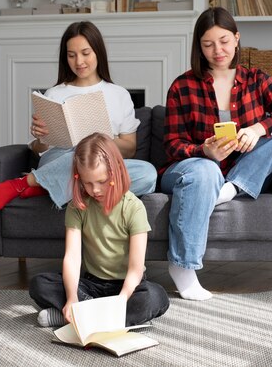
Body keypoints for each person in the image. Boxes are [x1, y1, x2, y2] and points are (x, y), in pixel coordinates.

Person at [160, 7, 272, 301]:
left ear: (237, 39)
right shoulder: (182, 85)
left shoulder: (256, 79)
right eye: (208, 44)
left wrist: (258, 129)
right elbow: (172, 145)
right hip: (195, 170)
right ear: (198, 47)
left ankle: (231, 188)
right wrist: (203, 150)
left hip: (245, 170)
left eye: (224, 41)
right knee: (205, 171)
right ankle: (183, 268)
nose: (218, 50)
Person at [0, 21, 157, 212]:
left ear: (98, 52)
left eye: (85, 53)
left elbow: (129, 150)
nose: (79, 62)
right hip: (62, 158)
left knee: (147, 174)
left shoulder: (119, 94)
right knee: (77, 155)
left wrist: (101, 143)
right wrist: (41, 138)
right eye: (71, 55)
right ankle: (39, 183)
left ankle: (41, 185)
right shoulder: (54, 94)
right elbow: (40, 149)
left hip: (104, 165)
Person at [28, 132, 170, 327]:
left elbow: (136, 269)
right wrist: (71, 298)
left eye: (101, 182)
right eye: (87, 183)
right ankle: (102, 317)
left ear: (116, 172)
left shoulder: (133, 208)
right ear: (78, 178)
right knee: (39, 283)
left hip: (126, 287)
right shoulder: (77, 207)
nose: (95, 190)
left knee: (156, 297)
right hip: (90, 285)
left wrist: (122, 299)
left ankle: (79, 317)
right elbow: (72, 257)